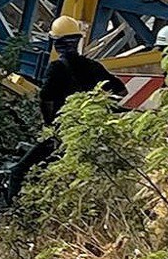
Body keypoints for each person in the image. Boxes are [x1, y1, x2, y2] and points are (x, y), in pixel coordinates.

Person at [8, 17, 126, 196]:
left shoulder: (56, 68)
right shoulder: (93, 66)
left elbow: (45, 99)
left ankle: (13, 214)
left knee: (19, 172)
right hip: (88, 131)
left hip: (62, 132)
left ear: (55, 43)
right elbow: (120, 90)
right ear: (78, 41)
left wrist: (49, 125)